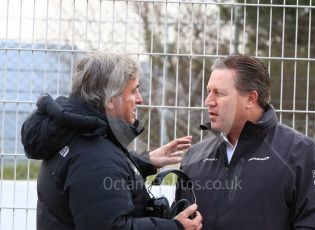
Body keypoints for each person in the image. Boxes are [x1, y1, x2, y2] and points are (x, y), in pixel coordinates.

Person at [21, 53, 202, 230]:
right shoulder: (94, 158)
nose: (140, 99)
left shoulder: (77, 136)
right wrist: (175, 226)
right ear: (110, 100)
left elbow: (99, 187)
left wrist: (144, 161)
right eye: (134, 90)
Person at [176, 54, 315, 229]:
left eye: (219, 93)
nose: (208, 101)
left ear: (251, 99)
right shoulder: (193, 157)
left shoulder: (300, 153)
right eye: (208, 92)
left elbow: (314, 224)